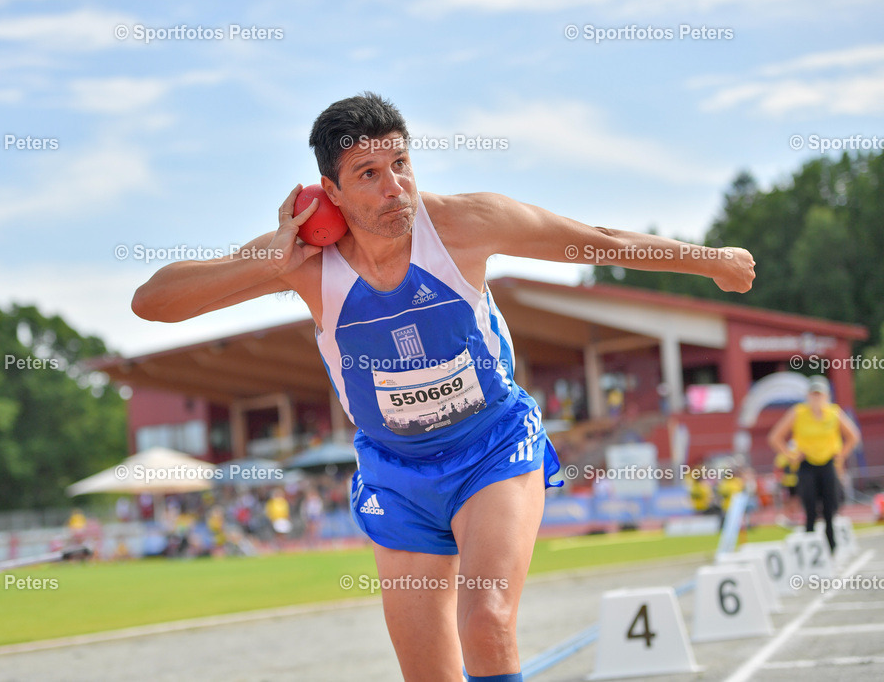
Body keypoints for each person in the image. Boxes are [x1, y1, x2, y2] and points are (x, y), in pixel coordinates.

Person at [132, 93, 755, 681]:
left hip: (492, 446)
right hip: (395, 472)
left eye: (400, 163)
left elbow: (599, 241)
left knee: (485, 620)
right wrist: (271, 259)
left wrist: (712, 260)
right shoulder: (304, 263)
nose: (394, 186)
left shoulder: (463, 225)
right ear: (331, 192)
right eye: (368, 172)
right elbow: (152, 303)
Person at [768, 375, 861, 553]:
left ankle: (832, 546)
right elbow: (775, 437)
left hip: (827, 463)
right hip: (806, 464)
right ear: (808, 395)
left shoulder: (834, 413)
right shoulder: (798, 412)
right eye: (813, 394)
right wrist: (790, 455)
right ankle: (810, 548)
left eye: (820, 394)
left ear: (826, 396)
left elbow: (853, 436)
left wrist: (841, 455)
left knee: (830, 507)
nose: (816, 398)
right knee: (809, 507)